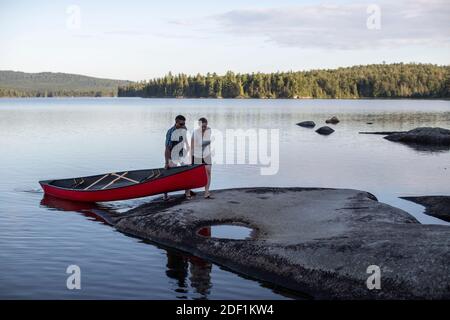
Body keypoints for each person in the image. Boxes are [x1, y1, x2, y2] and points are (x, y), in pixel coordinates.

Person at [164, 115, 192, 200]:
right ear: (176, 122)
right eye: (181, 124)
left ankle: (187, 193)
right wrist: (167, 162)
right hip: (172, 154)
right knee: (169, 174)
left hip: (181, 152)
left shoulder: (184, 128)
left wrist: (187, 145)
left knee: (188, 171)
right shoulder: (170, 132)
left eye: (184, 124)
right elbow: (167, 148)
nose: (183, 125)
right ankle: (165, 195)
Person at [191, 117, 212, 198]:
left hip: (207, 155)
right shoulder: (195, 133)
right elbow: (192, 147)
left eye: (205, 126)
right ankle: (187, 192)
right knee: (193, 174)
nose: (204, 128)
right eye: (202, 126)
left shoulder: (209, 130)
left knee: (209, 173)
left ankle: (206, 192)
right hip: (197, 155)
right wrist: (191, 159)